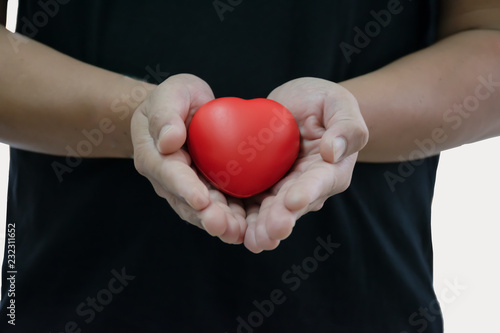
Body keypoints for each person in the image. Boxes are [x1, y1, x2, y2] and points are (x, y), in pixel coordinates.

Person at [0, 0, 499, 332]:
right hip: (69, 294)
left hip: (361, 299)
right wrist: (139, 117)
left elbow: (490, 35)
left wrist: (339, 125)